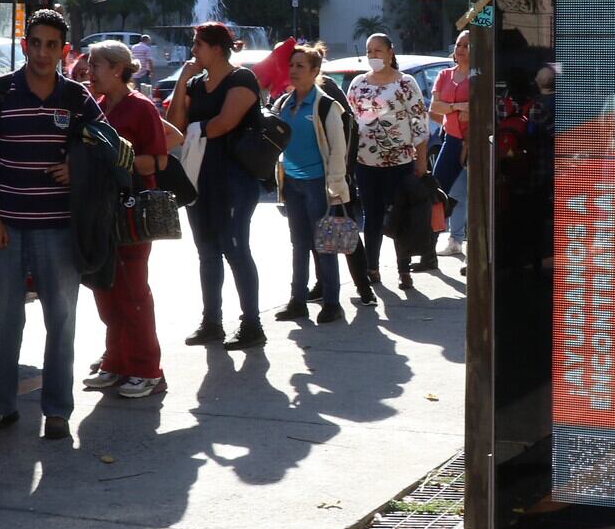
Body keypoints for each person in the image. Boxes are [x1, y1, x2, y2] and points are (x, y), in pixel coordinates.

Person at [0, 9, 101, 442]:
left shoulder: (77, 96)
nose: (42, 52)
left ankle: (58, 411)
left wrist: (76, 165)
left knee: (61, 321)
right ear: (24, 44)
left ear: (64, 50)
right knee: (0, 321)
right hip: (7, 223)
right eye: (35, 42)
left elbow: (106, 146)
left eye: (51, 45)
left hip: (59, 228)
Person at [78, 40, 176, 398]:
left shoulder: (141, 108)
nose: (89, 70)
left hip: (132, 211)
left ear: (117, 69)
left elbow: (159, 162)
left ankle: (147, 368)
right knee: (106, 287)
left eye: (96, 64)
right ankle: (116, 361)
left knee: (133, 291)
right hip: (101, 211)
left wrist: (116, 159)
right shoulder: (97, 107)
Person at [165, 21, 266, 350]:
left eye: (198, 44)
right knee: (207, 252)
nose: (193, 50)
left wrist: (195, 128)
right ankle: (212, 322)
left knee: (235, 249)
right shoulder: (195, 83)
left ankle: (252, 324)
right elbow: (176, 124)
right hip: (200, 178)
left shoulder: (242, 79)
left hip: (235, 180)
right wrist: (182, 79)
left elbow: (225, 123)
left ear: (217, 48)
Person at [272, 45, 351, 325]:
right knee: (298, 243)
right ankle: (298, 301)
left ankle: (331, 303)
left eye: (300, 66)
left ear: (315, 71)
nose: (293, 70)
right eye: (292, 65)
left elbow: (338, 149)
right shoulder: (283, 103)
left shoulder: (326, 105)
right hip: (292, 183)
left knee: (325, 244)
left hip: (319, 184)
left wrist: (336, 185)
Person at [345, 34, 430, 291]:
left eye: (378, 50)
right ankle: (372, 268)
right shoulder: (358, 83)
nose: (373, 55)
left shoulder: (406, 83)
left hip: (401, 161)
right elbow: (351, 121)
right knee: (371, 216)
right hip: (366, 163)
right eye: (369, 51)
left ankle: (404, 270)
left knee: (400, 216)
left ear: (391, 52)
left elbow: (419, 123)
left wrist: (421, 161)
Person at [428, 31, 473, 258]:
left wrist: (459, 107)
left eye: (467, 45)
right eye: (458, 44)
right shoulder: (445, 74)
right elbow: (435, 107)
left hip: (474, 143)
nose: (461, 49)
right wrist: (458, 107)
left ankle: (460, 239)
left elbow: (480, 107)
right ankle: (430, 245)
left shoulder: (478, 76)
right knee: (438, 189)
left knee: (467, 194)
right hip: (452, 139)